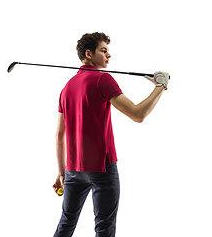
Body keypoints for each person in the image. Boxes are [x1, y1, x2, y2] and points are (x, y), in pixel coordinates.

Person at [52, 32, 168, 237]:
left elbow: (59, 136)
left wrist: (63, 173)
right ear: (89, 54)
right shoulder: (103, 80)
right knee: (104, 227)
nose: (109, 55)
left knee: (66, 223)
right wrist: (160, 87)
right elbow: (138, 115)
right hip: (102, 168)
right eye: (103, 50)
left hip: (73, 170)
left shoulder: (66, 88)